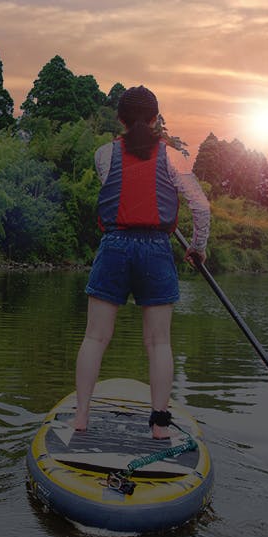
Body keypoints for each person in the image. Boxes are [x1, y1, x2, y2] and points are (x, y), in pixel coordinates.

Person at [73, 85, 210, 439]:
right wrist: (197, 247)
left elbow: (116, 186)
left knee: (95, 337)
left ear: (119, 118)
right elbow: (201, 206)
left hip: (115, 245)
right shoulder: (173, 157)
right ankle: (160, 427)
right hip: (155, 248)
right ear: (154, 119)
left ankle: (82, 417)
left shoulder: (104, 154)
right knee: (159, 343)